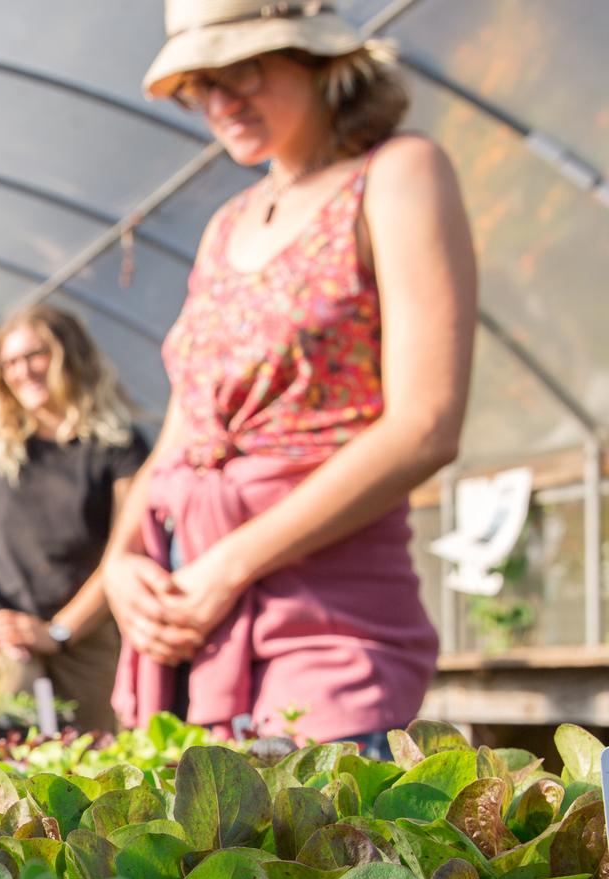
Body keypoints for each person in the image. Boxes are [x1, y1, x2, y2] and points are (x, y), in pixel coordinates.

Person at [106, 0, 476, 753]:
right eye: (199, 85)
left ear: (318, 59)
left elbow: (426, 424)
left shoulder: (396, 174)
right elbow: (185, 432)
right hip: (191, 616)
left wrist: (229, 566)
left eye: (242, 69)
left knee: (314, 854)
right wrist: (121, 564)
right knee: (199, 861)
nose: (220, 102)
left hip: (322, 619)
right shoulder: (227, 225)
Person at [0, 305, 147, 733]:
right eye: (10, 362)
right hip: (3, 635)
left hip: (88, 635)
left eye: (35, 355)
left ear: (71, 356)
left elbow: (125, 551)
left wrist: (59, 631)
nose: (22, 371)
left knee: (96, 765)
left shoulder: (118, 445)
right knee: (6, 752)